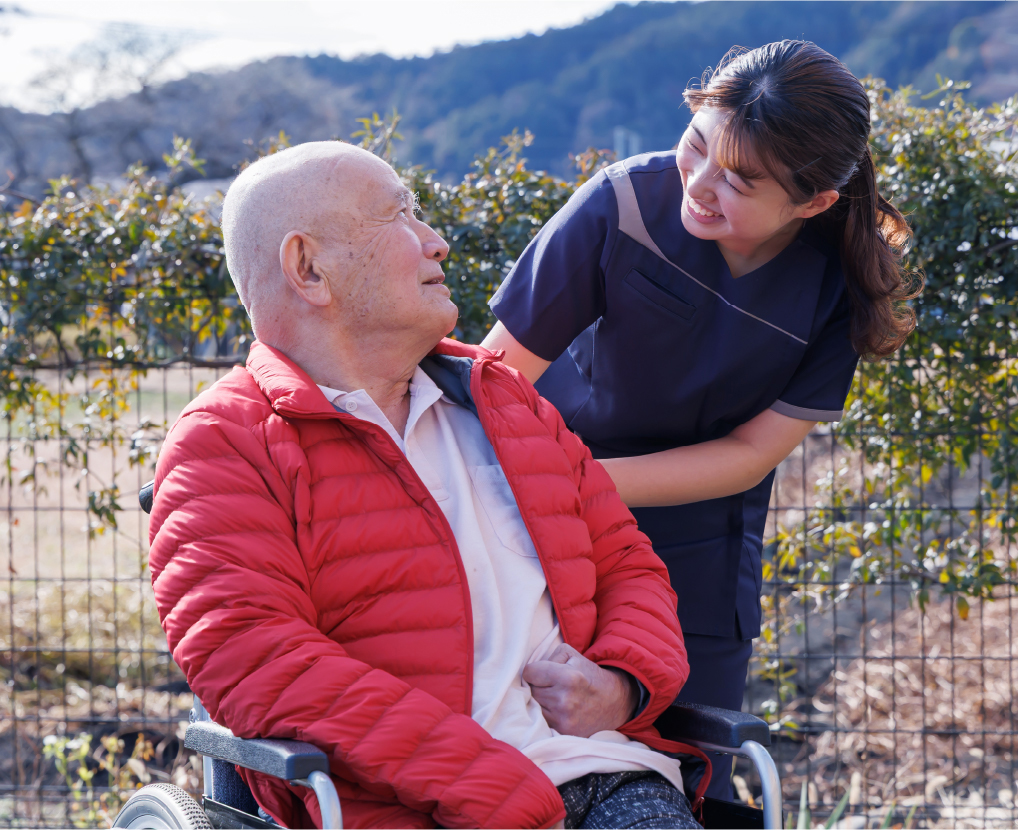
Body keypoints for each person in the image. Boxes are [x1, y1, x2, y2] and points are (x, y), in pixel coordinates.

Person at [147, 141, 707, 829]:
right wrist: (494, 789)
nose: (436, 243)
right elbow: (257, 656)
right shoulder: (224, 441)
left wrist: (623, 682)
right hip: (407, 807)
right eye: (400, 217)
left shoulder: (502, 399)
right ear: (308, 267)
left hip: (608, 778)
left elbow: (627, 563)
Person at [484, 40, 919, 800]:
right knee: (531, 771)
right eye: (696, 147)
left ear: (812, 202)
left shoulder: (836, 288)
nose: (701, 185)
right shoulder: (618, 204)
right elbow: (496, 383)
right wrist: (549, 492)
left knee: (690, 777)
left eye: (741, 179)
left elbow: (751, 453)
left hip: (695, 547)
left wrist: (583, 484)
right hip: (540, 526)